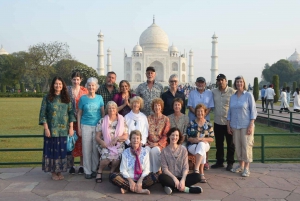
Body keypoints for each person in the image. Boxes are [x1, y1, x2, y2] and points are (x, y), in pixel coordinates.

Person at [39, 76, 76, 180]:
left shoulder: (66, 98)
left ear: (63, 85)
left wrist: (71, 128)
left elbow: (71, 114)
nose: (58, 86)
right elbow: (43, 114)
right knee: (52, 151)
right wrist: (46, 128)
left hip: (64, 130)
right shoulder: (47, 98)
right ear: (53, 85)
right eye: (56, 84)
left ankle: (59, 171)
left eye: (60, 84)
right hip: (51, 130)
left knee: (62, 151)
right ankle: (53, 172)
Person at [110, 130, 158, 194]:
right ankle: (139, 189)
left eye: (137, 138)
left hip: (142, 179)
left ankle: (127, 188)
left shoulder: (145, 152)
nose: (135, 140)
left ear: (140, 140)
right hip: (128, 178)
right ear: (130, 140)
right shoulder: (125, 152)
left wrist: (140, 180)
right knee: (113, 176)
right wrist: (130, 181)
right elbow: (123, 170)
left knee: (155, 176)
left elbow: (147, 169)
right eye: (133, 138)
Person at [227, 76, 257, 177]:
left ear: (243, 83)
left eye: (241, 82)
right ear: (235, 84)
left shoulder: (248, 95)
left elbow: (253, 111)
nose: (239, 84)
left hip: (245, 125)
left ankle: (247, 168)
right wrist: (228, 125)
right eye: (237, 82)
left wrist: (251, 125)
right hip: (235, 125)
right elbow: (229, 112)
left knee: (246, 146)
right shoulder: (233, 97)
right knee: (238, 146)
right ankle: (240, 165)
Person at [159, 127, 203, 195]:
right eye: (173, 135)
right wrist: (174, 179)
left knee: (198, 176)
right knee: (161, 177)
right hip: (170, 178)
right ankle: (186, 189)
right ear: (169, 136)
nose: (174, 137)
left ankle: (172, 187)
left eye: (177, 135)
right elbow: (165, 169)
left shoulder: (183, 150)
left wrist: (183, 180)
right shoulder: (164, 151)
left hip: (181, 176)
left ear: (179, 137)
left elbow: (186, 167)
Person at [77, 77, 105, 179]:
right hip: (86, 126)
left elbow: (102, 113)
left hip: (97, 126)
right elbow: (79, 114)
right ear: (87, 86)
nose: (91, 87)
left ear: (96, 87)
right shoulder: (83, 98)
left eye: (93, 85)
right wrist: (79, 128)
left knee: (95, 149)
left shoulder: (99, 98)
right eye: (89, 85)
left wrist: (103, 128)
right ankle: (87, 171)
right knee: (86, 149)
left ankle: (94, 169)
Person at [95, 101, 128, 183]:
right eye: (109, 108)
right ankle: (100, 171)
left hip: (118, 145)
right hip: (106, 144)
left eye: (113, 108)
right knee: (106, 158)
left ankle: (112, 172)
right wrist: (102, 142)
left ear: (116, 110)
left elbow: (126, 136)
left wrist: (117, 138)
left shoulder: (122, 120)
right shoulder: (102, 121)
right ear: (107, 110)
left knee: (116, 159)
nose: (111, 109)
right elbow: (97, 137)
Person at [187, 76, 214, 170]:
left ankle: (205, 162)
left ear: (205, 84)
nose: (200, 84)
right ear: (196, 83)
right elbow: (190, 105)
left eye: (202, 83)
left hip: (205, 120)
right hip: (193, 119)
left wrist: (203, 114)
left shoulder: (209, 93)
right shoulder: (192, 93)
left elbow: (210, 106)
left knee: (205, 139)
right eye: (198, 82)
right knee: (195, 139)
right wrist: (198, 113)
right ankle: (197, 165)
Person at [211, 74, 236, 171]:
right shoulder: (214, 92)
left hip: (229, 122)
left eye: (222, 80)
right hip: (218, 121)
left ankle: (230, 162)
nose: (220, 82)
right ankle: (220, 161)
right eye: (219, 80)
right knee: (219, 144)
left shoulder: (232, 92)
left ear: (226, 81)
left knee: (230, 144)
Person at [186, 104, 214, 183]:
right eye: (198, 111)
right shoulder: (191, 123)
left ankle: (196, 169)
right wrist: (195, 140)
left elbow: (212, 138)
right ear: (195, 113)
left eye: (201, 111)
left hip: (205, 144)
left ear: (205, 113)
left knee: (202, 144)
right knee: (201, 148)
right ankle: (201, 172)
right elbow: (188, 137)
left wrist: (202, 139)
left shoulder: (208, 124)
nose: (200, 113)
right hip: (192, 145)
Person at [67, 71, 88, 175]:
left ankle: (81, 165)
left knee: (81, 143)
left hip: (82, 121)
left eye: (78, 79)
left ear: (81, 80)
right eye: (74, 79)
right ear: (71, 80)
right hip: (69, 121)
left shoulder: (85, 91)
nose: (76, 81)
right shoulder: (67, 90)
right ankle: (71, 166)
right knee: (70, 143)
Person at [146, 98, 170, 173]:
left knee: (154, 151)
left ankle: (156, 171)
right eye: (155, 106)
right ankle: (148, 171)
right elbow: (145, 131)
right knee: (146, 150)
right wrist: (148, 142)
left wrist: (157, 144)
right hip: (149, 143)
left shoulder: (166, 119)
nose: (157, 107)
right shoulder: (148, 118)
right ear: (153, 107)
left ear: (161, 107)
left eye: (159, 105)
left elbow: (166, 135)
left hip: (160, 144)